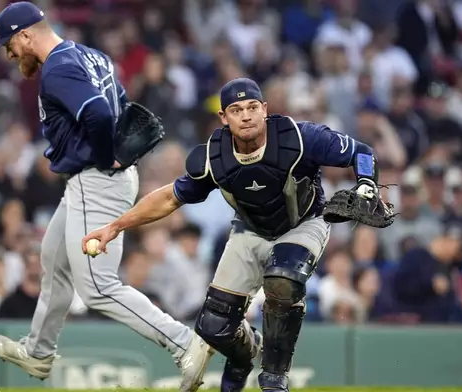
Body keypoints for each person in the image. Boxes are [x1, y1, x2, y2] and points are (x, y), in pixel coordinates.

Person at [83, 78, 389, 392]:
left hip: (303, 223)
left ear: (264, 110)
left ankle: (274, 377)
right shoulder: (214, 158)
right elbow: (169, 197)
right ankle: (244, 354)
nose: (246, 115)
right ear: (224, 117)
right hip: (249, 228)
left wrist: (367, 183)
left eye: (253, 107)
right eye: (236, 109)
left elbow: (361, 152)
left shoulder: (299, 137)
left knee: (282, 280)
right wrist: (115, 226)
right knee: (213, 327)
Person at [0, 3, 212, 390]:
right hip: (90, 180)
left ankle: (185, 342)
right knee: (54, 260)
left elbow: (102, 116)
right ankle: (39, 351)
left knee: (97, 287)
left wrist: (108, 158)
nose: (9, 52)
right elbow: (122, 106)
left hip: (97, 179)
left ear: (26, 35)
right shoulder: (91, 55)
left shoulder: (57, 68)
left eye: (10, 43)